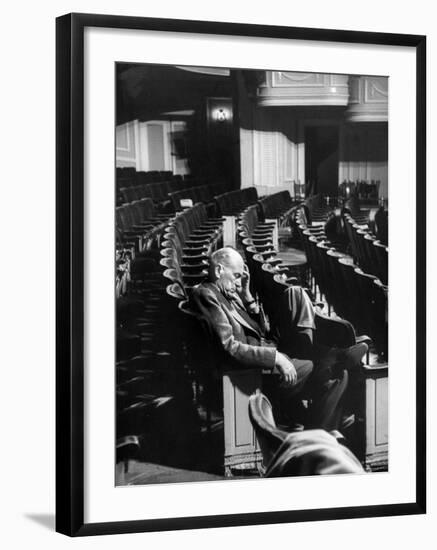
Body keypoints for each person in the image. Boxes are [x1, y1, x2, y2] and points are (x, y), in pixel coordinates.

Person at [190, 247, 366, 432]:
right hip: (251, 373)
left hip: (263, 352)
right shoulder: (206, 294)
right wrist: (276, 357)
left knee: (295, 293)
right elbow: (228, 347)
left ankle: (319, 427)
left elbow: (258, 330)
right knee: (333, 372)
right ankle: (321, 429)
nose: (238, 281)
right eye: (236, 275)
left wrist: (247, 297)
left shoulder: (226, 292)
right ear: (219, 270)